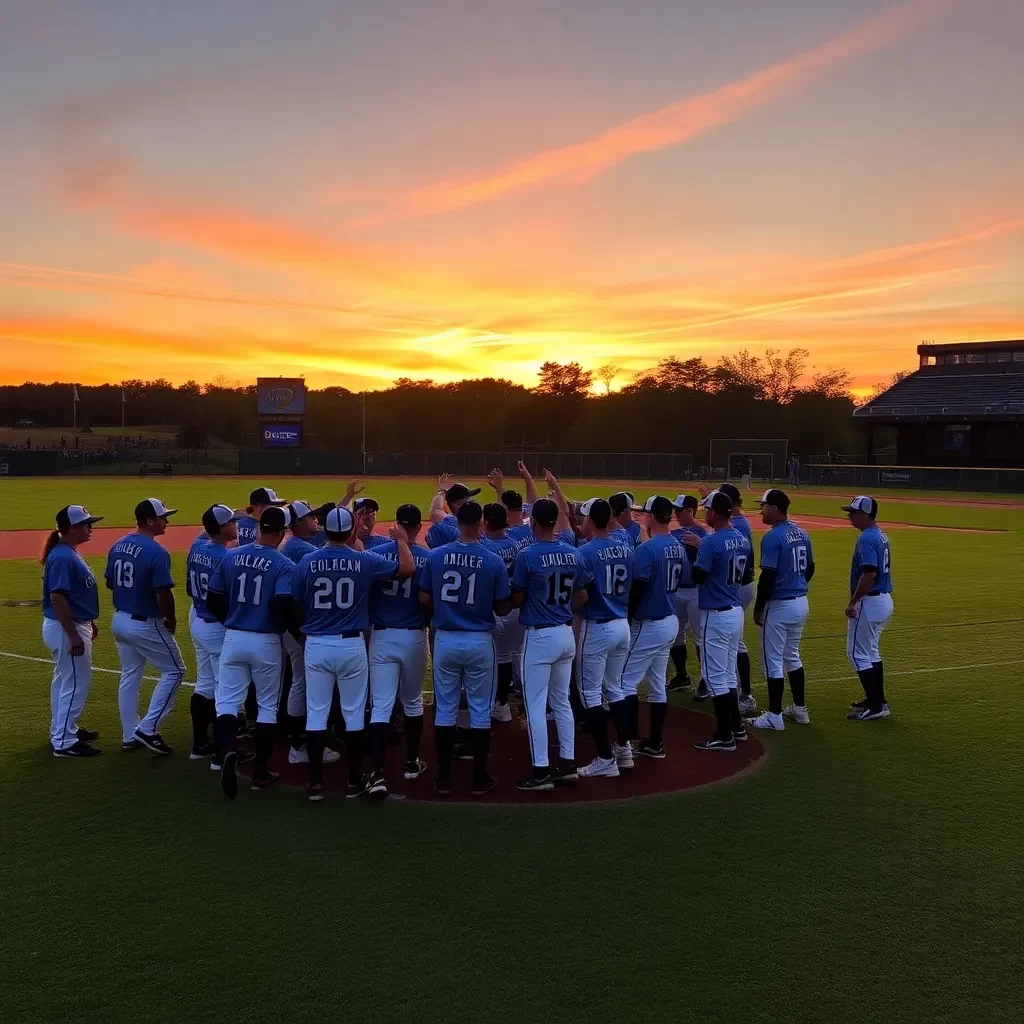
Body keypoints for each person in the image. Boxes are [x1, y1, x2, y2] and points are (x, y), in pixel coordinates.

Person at [294, 507, 413, 801]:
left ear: (326, 531)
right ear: (351, 532)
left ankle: (316, 782)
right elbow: (407, 568)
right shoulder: (364, 560)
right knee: (354, 712)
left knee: (317, 712)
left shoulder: (308, 560)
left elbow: (295, 599)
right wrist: (400, 540)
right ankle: (353, 779)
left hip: (317, 643)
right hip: (351, 644)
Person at [420, 501, 510, 796]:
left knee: (445, 710)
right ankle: (479, 778)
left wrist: (447, 608)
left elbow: (424, 598)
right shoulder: (493, 559)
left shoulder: (436, 556)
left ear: (456, 521)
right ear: (482, 521)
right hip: (479, 639)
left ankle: (444, 777)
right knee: (480, 712)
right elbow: (502, 604)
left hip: (445, 636)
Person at [207, 506, 298, 797]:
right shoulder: (285, 565)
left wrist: (231, 620)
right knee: (267, 707)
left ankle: (228, 751)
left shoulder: (231, 556)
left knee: (227, 703)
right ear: (282, 532)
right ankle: (260, 772)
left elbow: (213, 598)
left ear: (259, 528)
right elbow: (285, 605)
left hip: (234, 637)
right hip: (266, 640)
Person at [512, 498, 591, 792]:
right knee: (562, 701)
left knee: (535, 704)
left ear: (533, 521)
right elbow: (582, 597)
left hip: (540, 635)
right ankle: (568, 764)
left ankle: (541, 771)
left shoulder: (527, 555)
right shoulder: (573, 553)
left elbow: (518, 598)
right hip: (565, 631)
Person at [106, 498, 185, 756]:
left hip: (120, 619)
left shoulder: (118, 544)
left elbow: (110, 582)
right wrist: (170, 619)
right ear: (150, 521)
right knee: (175, 671)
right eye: (164, 517)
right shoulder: (156, 551)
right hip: (145, 623)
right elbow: (163, 592)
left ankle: (129, 734)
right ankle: (148, 729)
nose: (167, 521)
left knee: (130, 674)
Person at [366, 504, 430, 797]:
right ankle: (411, 762)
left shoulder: (376, 556)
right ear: (418, 527)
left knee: (380, 705)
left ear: (396, 526)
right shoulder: (428, 559)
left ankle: (377, 773)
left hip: (381, 636)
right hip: (415, 636)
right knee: (413, 701)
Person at [683, 490, 752, 751]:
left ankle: (724, 735)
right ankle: (737, 727)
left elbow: (699, 576)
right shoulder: (741, 538)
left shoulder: (711, 542)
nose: (704, 513)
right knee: (728, 675)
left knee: (714, 678)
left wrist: (695, 551)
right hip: (735, 609)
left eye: (706, 509)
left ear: (714, 512)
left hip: (716, 612)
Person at [574, 497, 634, 778]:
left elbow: (581, 595)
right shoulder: (625, 549)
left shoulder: (584, 552)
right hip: (622, 624)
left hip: (597, 625)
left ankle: (605, 759)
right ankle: (624, 749)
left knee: (590, 695)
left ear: (590, 520)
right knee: (616, 689)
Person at [622, 496, 686, 758]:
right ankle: (655, 743)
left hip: (648, 622)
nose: (641, 517)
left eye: (643, 513)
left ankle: (626, 743)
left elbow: (638, 586)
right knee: (657, 683)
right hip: (669, 620)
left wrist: (627, 616)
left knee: (625, 682)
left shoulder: (646, 549)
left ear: (651, 516)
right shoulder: (677, 545)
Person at [747, 490, 814, 731]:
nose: (761, 510)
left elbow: (768, 575)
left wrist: (758, 607)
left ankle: (774, 715)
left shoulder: (773, 537)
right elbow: (810, 568)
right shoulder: (801, 532)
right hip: (800, 601)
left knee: (772, 661)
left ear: (774, 508)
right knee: (792, 656)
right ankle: (799, 709)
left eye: (764, 506)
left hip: (780, 604)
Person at [41, 504, 104, 757]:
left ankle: (62, 730)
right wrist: (73, 634)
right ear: (71, 528)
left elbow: (73, 595)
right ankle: (64, 742)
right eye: (86, 524)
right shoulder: (63, 557)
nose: (91, 527)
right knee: (77, 682)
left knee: (65, 680)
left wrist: (87, 621)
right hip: (65, 627)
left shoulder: (67, 552)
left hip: (70, 624)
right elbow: (57, 598)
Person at [279, 500, 337, 767]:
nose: (316, 520)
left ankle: (299, 740)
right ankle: (300, 744)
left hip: (294, 623)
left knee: (300, 680)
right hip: (298, 624)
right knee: (303, 682)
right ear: (298, 523)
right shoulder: (300, 548)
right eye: (311, 517)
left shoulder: (295, 544)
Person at [185, 504, 238, 760]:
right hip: (217, 626)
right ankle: (221, 753)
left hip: (198, 621)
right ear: (224, 527)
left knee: (205, 684)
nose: (236, 524)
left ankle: (199, 745)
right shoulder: (225, 557)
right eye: (232, 521)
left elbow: (187, 586)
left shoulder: (197, 548)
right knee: (224, 690)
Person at [841, 496, 894, 721]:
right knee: (871, 651)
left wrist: (853, 601)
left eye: (853, 512)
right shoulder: (879, 534)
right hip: (883, 600)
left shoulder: (866, 538)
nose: (849, 516)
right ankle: (876, 699)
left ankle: (876, 705)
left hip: (869, 601)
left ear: (865, 514)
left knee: (857, 653)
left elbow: (869, 573)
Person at [479, 502, 521, 722]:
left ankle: (494, 705)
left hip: (495, 609)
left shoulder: (485, 546)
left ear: (485, 522)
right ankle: (504, 704)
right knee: (511, 656)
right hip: (515, 608)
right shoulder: (514, 544)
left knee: (491, 660)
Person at [667, 494, 707, 693]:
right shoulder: (674, 533)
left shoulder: (704, 535)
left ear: (690, 511)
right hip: (676, 591)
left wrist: (701, 544)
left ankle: (706, 679)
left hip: (696, 592)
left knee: (700, 637)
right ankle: (682, 675)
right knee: (677, 635)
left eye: (679, 510)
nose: (676, 514)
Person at [425, 478, 482, 548]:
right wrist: (499, 491)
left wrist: (441, 491)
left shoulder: (445, 522)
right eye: (467, 499)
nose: (470, 501)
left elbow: (435, 511)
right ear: (455, 504)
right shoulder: (478, 523)